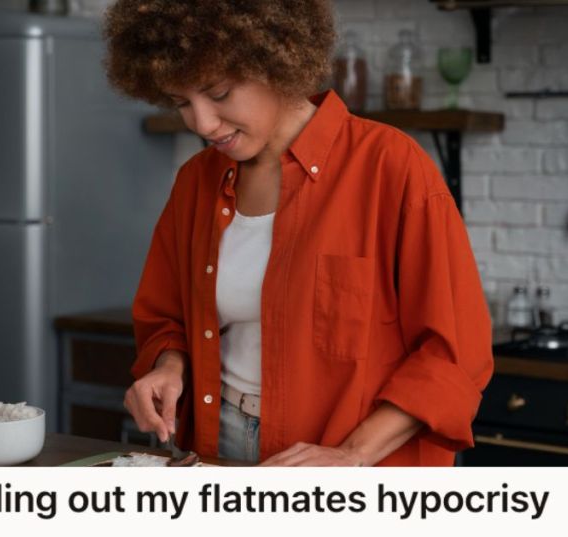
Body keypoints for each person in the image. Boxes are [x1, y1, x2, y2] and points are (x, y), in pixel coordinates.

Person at [104, 0, 493, 466]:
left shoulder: (392, 167)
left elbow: (454, 355)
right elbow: (164, 316)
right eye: (182, 102)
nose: (202, 123)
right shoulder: (196, 182)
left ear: (276, 61)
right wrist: (168, 366)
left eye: (220, 93)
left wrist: (350, 455)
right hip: (216, 444)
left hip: (353, 466)